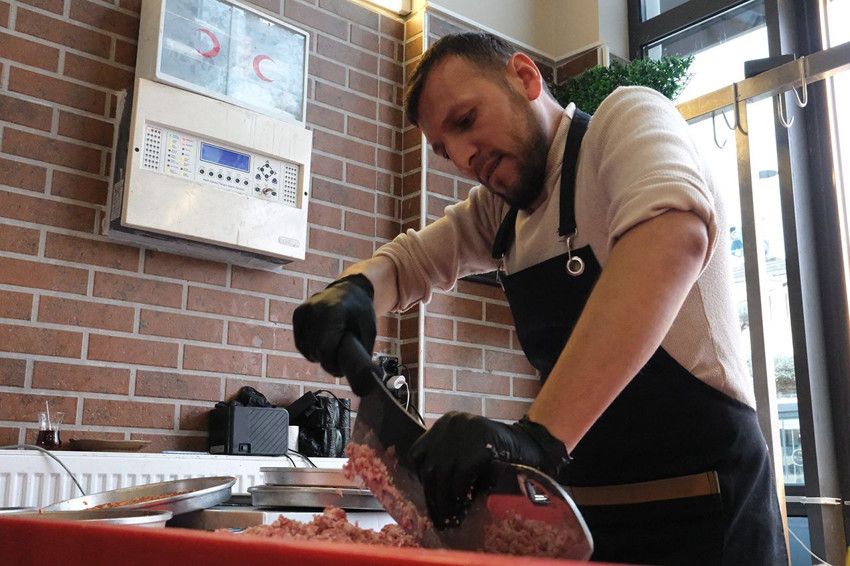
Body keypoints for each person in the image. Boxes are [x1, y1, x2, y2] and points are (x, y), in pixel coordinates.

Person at [293, 31, 786, 564]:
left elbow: (672, 238)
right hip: (589, 521)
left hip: (708, 505)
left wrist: (538, 437)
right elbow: (411, 261)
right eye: (444, 150)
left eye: (466, 120)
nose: (464, 156)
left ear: (525, 78)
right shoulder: (500, 212)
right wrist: (355, 290)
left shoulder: (625, 120)